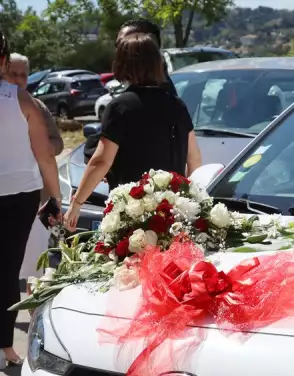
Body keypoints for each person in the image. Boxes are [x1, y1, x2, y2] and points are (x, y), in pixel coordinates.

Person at [65, 33, 201, 231]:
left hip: (131, 214)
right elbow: (195, 160)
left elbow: (101, 161)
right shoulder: (177, 105)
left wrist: (76, 204)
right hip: (171, 216)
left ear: (123, 65)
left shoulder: (120, 107)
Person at [0, 29, 61, 365]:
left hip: (18, 192)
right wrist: (56, 196)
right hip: (18, 193)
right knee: (7, 270)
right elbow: (45, 156)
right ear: (4, 61)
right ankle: (4, 347)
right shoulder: (20, 100)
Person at [3, 53, 64, 287]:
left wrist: (37, 147)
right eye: (13, 74)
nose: (18, 80)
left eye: (23, 75)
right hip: (11, 195)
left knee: (36, 263)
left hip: (39, 197)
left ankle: (32, 316)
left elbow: (56, 144)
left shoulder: (35, 106)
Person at [84, 19, 176, 164]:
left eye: (123, 45)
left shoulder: (160, 97)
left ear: (145, 45)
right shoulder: (156, 93)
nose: (118, 51)